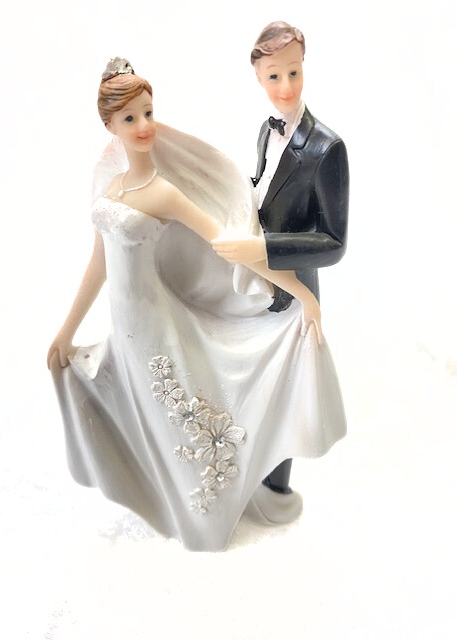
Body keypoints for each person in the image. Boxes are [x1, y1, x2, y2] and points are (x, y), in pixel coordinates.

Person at [47, 58, 346, 551]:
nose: (144, 126)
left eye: (148, 113)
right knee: (136, 409)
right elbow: (98, 264)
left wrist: (301, 293)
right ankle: (159, 497)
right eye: (130, 118)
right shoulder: (112, 187)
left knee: (182, 420)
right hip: (124, 327)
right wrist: (66, 330)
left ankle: (203, 514)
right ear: (110, 126)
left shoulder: (163, 192)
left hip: (156, 326)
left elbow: (227, 245)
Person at [213, 22, 349, 514]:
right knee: (251, 387)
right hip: (252, 287)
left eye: (293, 72)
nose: (286, 86)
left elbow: (333, 242)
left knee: (286, 397)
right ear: (258, 77)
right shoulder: (266, 132)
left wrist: (262, 247)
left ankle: (275, 494)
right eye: (274, 76)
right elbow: (262, 189)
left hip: (292, 295)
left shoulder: (327, 149)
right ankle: (247, 476)